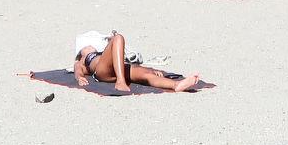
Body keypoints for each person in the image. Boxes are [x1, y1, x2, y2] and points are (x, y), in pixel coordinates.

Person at [71, 29, 199, 94]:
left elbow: (116, 54)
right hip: (103, 72)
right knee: (118, 38)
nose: (89, 47)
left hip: (120, 67)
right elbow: (77, 70)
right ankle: (120, 81)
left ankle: (176, 85)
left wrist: (150, 69)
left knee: (147, 75)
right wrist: (79, 77)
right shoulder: (83, 60)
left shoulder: (101, 52)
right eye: (86, 47)